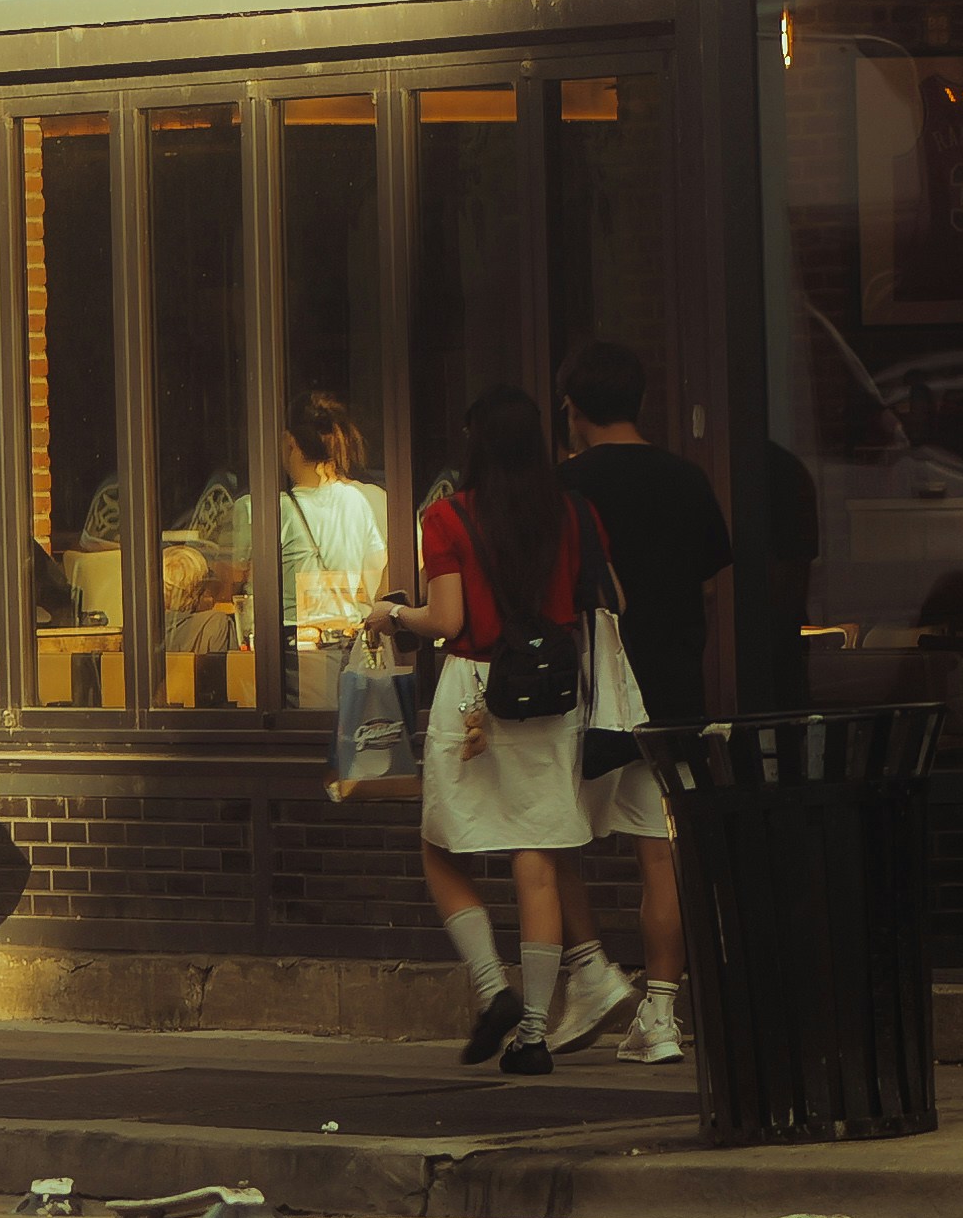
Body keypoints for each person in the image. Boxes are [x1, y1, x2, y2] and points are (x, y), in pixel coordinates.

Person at [379, 390, 622, 1076]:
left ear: (476, 442)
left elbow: (448, 622)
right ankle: (537, 1034)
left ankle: (494, 991)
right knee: (537, 855)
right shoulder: (574, 513)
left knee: (439, 847)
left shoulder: (448, 517)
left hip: (475, 695)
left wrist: (395, 614)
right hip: (552, 693)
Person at [555, 344, 728, 1065]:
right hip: (670, 693)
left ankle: (592, 967)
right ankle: (661, 1013)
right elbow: (712, 584)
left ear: (573, 409)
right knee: (662, 854)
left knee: (555, 837)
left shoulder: (562, 485)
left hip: (583, 696)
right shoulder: (687, 479)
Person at [274, 398, 393, 703]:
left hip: (294, 646)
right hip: (351, 643)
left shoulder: (272, 510)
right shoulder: (362, 500)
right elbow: (384, 576)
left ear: (290, 443)